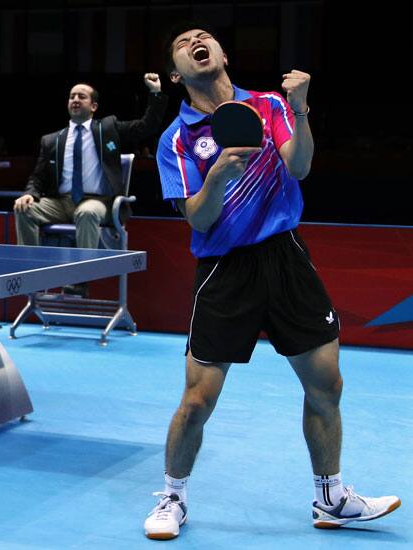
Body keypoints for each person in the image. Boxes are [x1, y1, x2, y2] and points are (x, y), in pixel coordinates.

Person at [144, 22, 401, 540]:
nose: (198, 40)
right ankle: (173, 496)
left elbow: (300, 166)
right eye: (183, 42)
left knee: (326, 385)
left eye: (205, 35)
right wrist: (217, 176)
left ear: (219, 52)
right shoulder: (176, 139)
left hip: (285, 257)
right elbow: (196, 218)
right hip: (225, 270)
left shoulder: (268, 105)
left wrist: (301, 106)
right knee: (197, 399)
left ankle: (330, 498)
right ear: (176, 73)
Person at [14, 75, 167, 296]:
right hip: (61, 203)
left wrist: (155, 93)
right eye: (72, 96)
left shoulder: (108, 128)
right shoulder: (52, 140)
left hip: (97, 202)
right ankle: (32, 277)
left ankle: (79, 281)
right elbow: (37, 177)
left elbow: (147, 126)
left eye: (81, 96)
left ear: (93, 106)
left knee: (86, 213)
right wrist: (29, 194)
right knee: (24, 208)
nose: (75, 99)